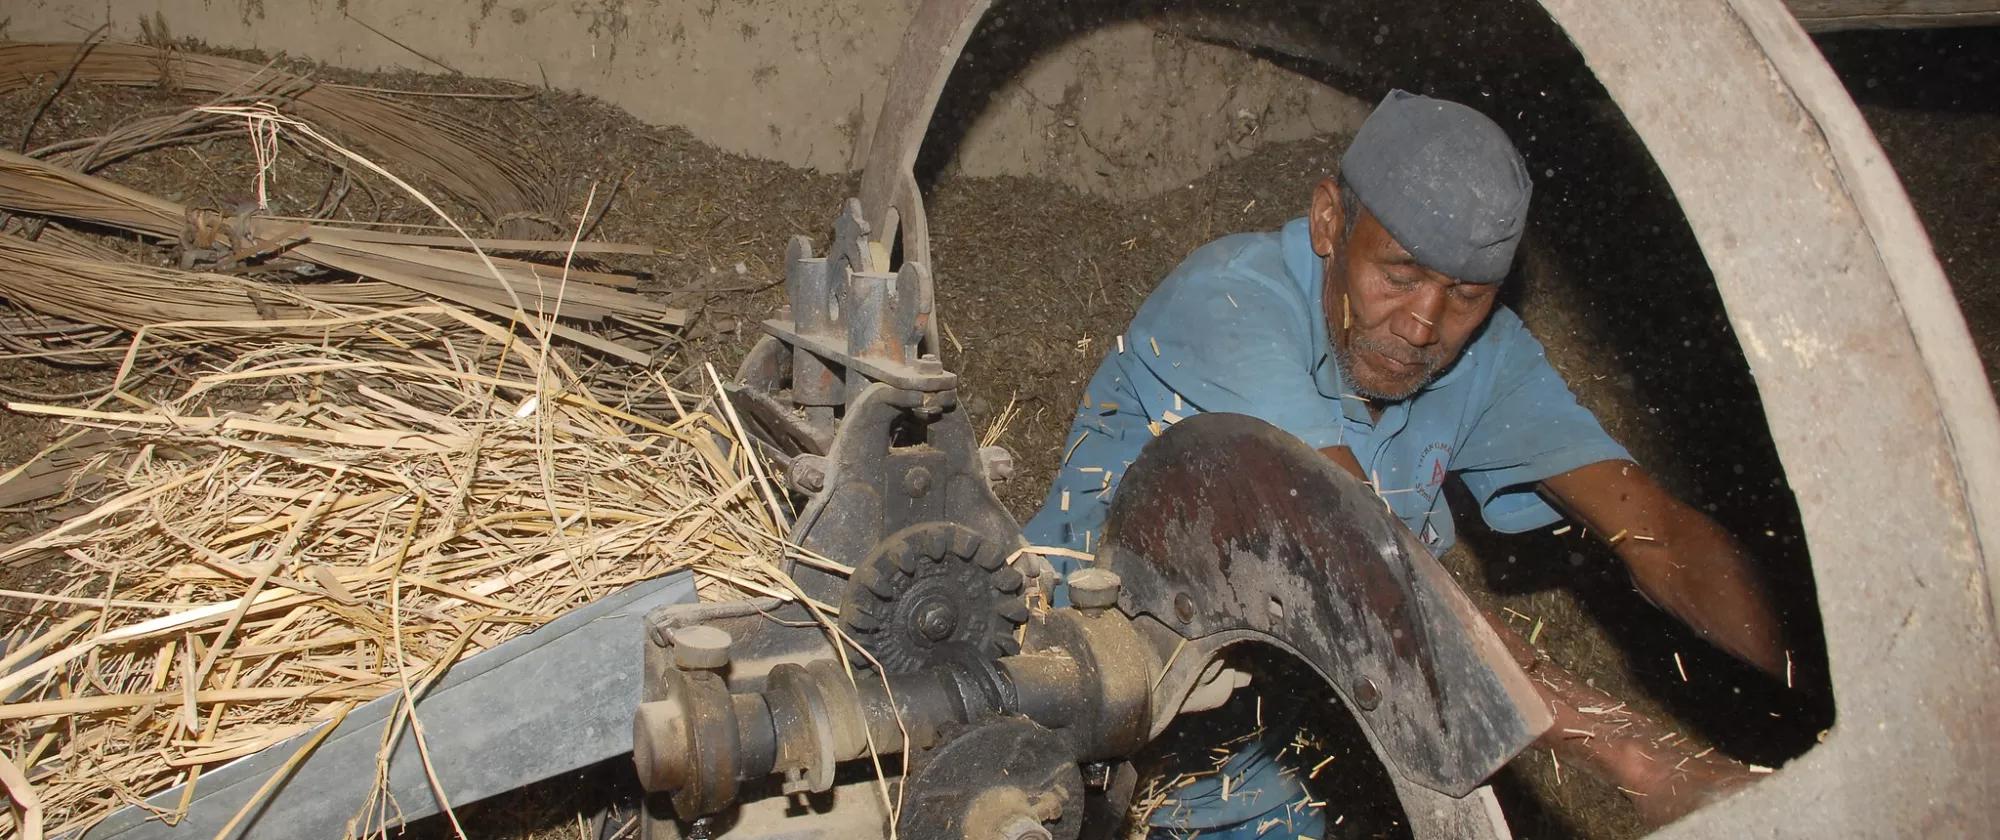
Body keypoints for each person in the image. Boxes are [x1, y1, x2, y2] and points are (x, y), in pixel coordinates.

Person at [1020, 90, 1788, 835]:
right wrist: (1644, 765)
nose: (1424, 326)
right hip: (1068, 751)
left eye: (1466, 294)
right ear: (1329, 221)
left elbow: (1658, 534)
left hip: (1288, 792)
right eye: (1399, 275)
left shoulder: (1486, 360)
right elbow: (1372, 564)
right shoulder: (1228, 305)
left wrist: (1837, 687)